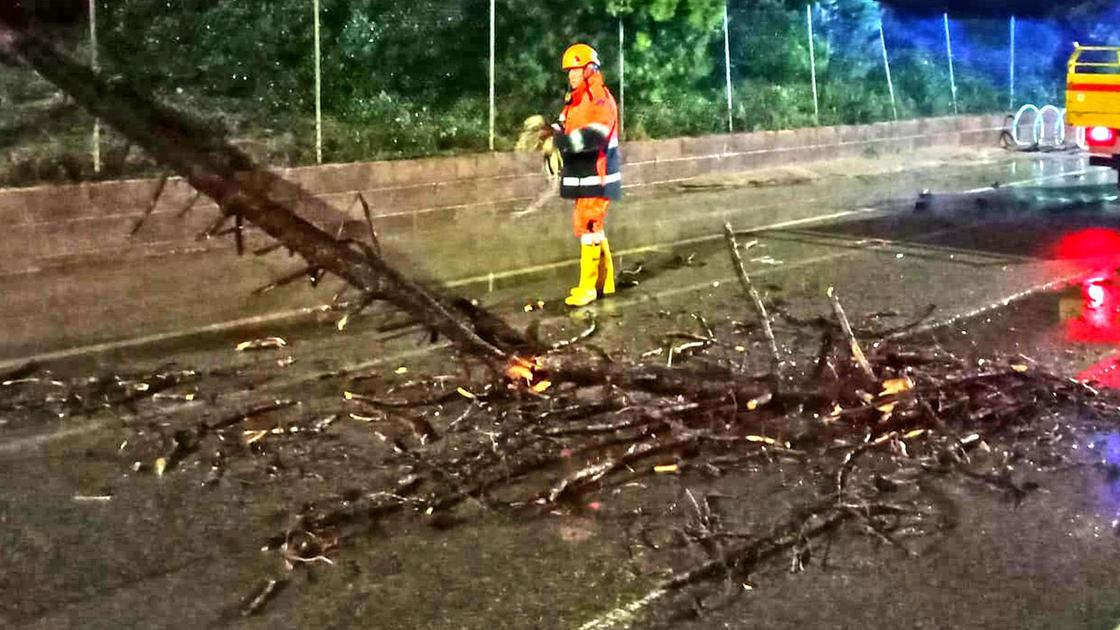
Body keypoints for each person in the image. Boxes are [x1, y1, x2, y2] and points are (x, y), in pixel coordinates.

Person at [545, 43, 621, 307]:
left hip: (597, 174)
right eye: (569, 71)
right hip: (585, 174)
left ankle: (588, 288)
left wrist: (560, 145)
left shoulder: (599, 99)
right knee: (592, 227)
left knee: (588, 225)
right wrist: (547, 132)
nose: (570, 75)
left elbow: (595, 136)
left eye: (574, 70)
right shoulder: (576, 99)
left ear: (589, 69)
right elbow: (565, 122)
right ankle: (605, 282)